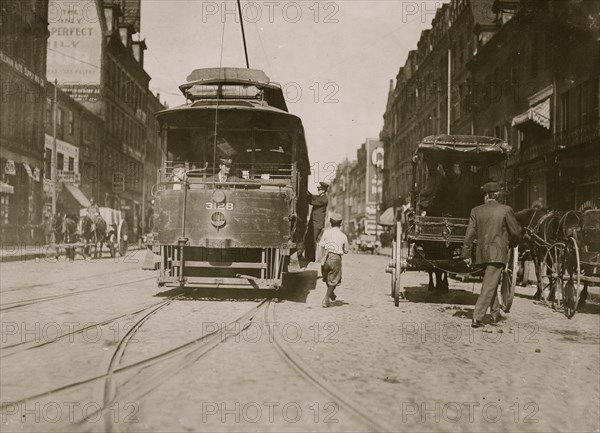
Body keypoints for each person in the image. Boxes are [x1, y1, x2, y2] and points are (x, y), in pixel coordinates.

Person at [461, 182, 521, 328]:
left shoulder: (476, 211)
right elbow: (516, 232)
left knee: (491, 283)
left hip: (481, 254)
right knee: (489, 285)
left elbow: (469, 234)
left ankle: (495, 314)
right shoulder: (506, 210)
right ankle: (477, 317)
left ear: (486, 196)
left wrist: (466, 253)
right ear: (497, 195)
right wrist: (511, 245)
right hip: (498, 253)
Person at [318, 212, 349, 308]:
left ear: (330, 222)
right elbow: (346, 250)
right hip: (336, 258)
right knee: (334, 279)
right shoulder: (343, 236)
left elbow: (321, 245)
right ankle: (326, 299)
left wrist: (320, 259)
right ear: (341, 223)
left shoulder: (326, 232)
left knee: (327, 277)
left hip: (326, 256)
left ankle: (331, 294)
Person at [304, 181, 329, 261]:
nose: (318, 190)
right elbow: (312, 196)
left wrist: (306, 197)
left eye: (320, 189)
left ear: (324, 190)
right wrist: (306, 191)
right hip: (314, 222)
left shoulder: (323, 199)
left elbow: (311, 201)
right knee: (309, 238)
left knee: (312, 240)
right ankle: (308, 257)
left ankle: (311, 258)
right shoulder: (320, 197)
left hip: (317, 224)